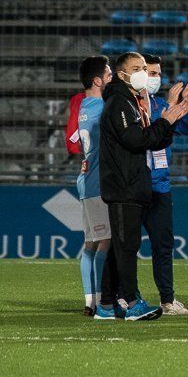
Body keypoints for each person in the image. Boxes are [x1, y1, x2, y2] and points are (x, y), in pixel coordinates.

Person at [95, 52, 188, 321]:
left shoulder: (129, 102)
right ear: (122, 73)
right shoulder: (119, 103)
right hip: (124, 185)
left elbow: (152, 141)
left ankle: (105, 304)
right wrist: (165, 121)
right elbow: (136, 140)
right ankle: (131, 301)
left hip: (132, 183)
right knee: (126, 247)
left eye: (143, 68)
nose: (142, 74)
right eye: (137, 68)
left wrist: (167, 122)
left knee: (120, 247)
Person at [141, 54, 188, 316]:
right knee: (125, 246)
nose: (156, 78)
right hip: (133, 186)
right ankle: (122, 297)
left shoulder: (163, 103)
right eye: (150, 73)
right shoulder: (126, 106)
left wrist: (185, 102)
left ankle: (168, 299)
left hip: (160, 186)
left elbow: (185, 128)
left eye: (157, 73)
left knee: (163, 244)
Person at [76, 56, 112, 316]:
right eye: (109, 74)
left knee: (90, 244)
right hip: (97, 183)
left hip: (86, 181)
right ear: (98, 80)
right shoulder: (102, 108)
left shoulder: (84, 106)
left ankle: (90, 300)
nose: (112, 78)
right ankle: (101, 301)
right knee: (105, 242)